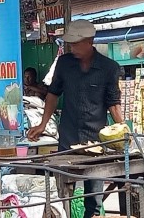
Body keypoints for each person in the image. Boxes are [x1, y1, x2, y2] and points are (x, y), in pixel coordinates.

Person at [27, 19, 124, 218]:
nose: (72, 47)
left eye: (76, 43)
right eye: (70, 43)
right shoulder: (64, 64)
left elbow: (113, 103)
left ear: (90, 41)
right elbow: (53, 94)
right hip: (68, 137)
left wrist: (122, 131)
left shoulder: (109, 68)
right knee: (64, 191)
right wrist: (43, 124)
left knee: (94, 196)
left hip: (96, 139)